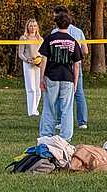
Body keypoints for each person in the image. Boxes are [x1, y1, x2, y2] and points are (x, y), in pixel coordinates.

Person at [38, 11, 83, 141]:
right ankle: (65, 136)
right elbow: (76, 64)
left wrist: (41, 78)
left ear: (56, 23)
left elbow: (44, 59)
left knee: (49, 106)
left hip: (51, 76)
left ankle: (46, 134)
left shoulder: (50, 39)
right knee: (67, 108)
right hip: (67, 78)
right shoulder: (72, 41)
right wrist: (75, 81)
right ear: (69, 25)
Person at [50, 6, 88, 129]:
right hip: (76, 65)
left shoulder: (55, 32)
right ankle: (82, 122)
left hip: (60, 67)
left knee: (60, 93)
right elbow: (85, 50)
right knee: (78, 93)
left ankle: (60, 121)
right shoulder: (78, 31)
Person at [18, 19, 43, 117]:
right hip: (28, 64)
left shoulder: (40, 39)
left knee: (38, 88)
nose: (33, 28)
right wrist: (27, 60)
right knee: (31, 88)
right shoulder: (23, 38)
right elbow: (20, 53)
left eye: (34, 26)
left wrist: (39, 60)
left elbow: (43, 53)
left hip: (38, 64)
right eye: (31, 26)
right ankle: (31, 111)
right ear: (27, 27)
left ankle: (35, 109)